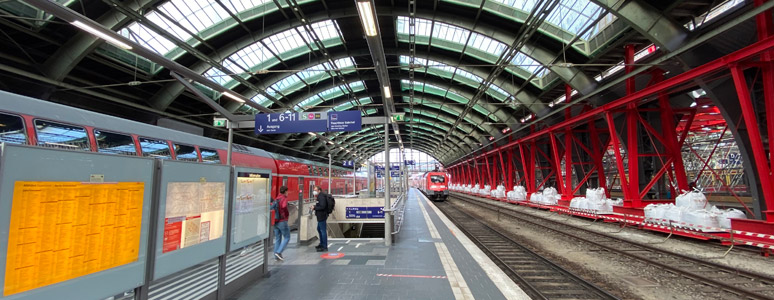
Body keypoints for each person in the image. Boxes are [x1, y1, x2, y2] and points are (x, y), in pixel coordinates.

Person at [271, 186, 290, 261]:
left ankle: (276, 255)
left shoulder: (277, 198)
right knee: (287, 237)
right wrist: (286, 213)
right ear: (285, 191)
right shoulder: (283, 198)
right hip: (282, 220)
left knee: (278, 238)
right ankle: (279, 252)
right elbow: (284, 206)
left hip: (276, 221)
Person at [312, 186, 329, 252]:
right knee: (319, 229)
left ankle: (324, 246)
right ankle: (321, 244)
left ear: (319, 190)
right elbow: (320, 205)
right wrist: (315, 206)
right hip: (320, 216)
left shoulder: (321, 197)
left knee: (322, 230)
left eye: (315, 190)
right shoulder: (320, 196)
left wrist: (315, 208)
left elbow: (322, 206)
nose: (314, 191)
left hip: (322, 215)